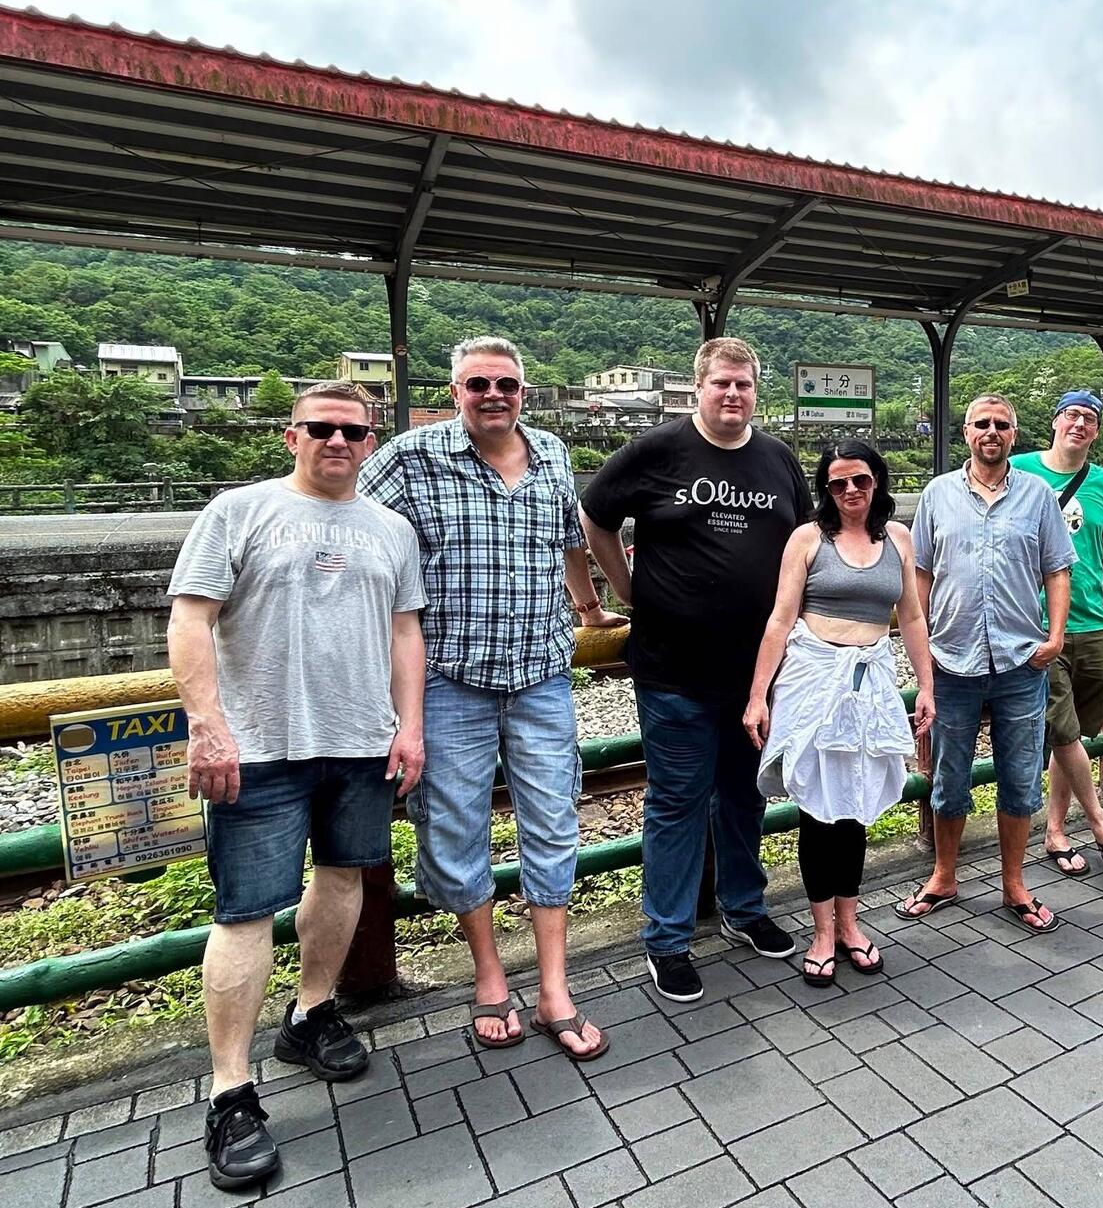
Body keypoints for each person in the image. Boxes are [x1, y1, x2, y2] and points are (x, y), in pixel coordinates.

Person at [168, 381, 426, 1190]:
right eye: (321, 428)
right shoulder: (239, 511)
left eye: (353, 431)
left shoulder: (391, 528)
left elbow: (405, 631)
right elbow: (189, 618)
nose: (337, 441)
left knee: (344, 879)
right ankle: (230, 1091)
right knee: (245, 911)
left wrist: (409, 725)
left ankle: (311, 1013)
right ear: (292, 436)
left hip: (361, 742)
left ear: (371, 440)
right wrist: (208, 725)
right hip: (259, 749)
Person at [357, 335, 623, 1062]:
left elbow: (570, 541)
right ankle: (489, 975)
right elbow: (345, 518)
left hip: (541, 675)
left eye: (506, 384)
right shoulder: (412, 458)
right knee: (453, 827)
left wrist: (589, 608)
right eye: (478, 384)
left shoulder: (552, 453)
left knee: (554, 821)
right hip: (449, 678)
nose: (493, 394)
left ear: (524, 392)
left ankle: (555, 987)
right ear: (456, 393)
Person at [582, 337, 814, 1002]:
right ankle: (667, 939)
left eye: (744, 384)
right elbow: (594, 518)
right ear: (699, 387)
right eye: (721, 383)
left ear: (755, 390)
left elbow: (806, 544)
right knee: (677, 802)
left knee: (745, 795)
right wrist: (624, 590)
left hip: (756, 675)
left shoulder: (778, 460)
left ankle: (744, 908)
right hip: (673, 669)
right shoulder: (656, 450)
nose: (733, 394)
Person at [744, 441, 936, 986]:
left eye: (861, 480)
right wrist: (758, 696)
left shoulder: (897, 537)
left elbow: (912, 618)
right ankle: (822, 932)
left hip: (869, 681)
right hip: (812, 680)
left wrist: (926, 686)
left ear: (877, 481)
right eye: (838, 483)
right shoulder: (808, 538)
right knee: (817, 807)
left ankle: (850, 923)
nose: (851, 490)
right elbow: (780, 619)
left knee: (854, 805)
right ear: (826, 490)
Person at [895, 394, 1076, 933]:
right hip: (952, 661)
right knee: (948, 777)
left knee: (1020, 777)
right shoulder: (938, 494)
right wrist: (922, 649)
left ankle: (1014, 884)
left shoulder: (1037, 494)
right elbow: (921, 575)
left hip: (1021, 660)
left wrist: (1056, 636)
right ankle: (943, 876)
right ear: (966, 432)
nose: (991, 431)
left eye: (1001, 424)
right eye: (982, 424)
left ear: (1014, 434)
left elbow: (1057, 569)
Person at [1013, 390, 1103, 878]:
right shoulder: (1018, 470)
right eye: (1071, 415)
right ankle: (1099, 820)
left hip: (1096, 626)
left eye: (1090, 418)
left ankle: (1055, 831)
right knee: (1063, 730)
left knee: (1075, 737)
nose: (1080, 424)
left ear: (1096, 431)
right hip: (1037, 628)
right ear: (1054, 421)